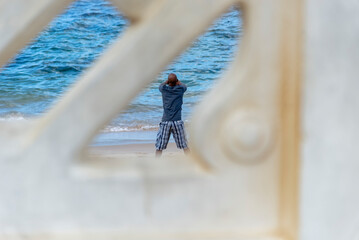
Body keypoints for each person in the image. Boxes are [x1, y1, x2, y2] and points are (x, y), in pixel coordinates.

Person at [155, 73, 190, 157]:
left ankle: (156, 162)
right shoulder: (180, 89)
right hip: (177, 121)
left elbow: (160, 85)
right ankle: (191, 162)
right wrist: (178, 82)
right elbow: (185, 86)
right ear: (177, 81)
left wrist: (167, 82)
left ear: (168, 82)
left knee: (159, 146)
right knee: (184, 145)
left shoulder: (163, 89)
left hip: (166, 121)